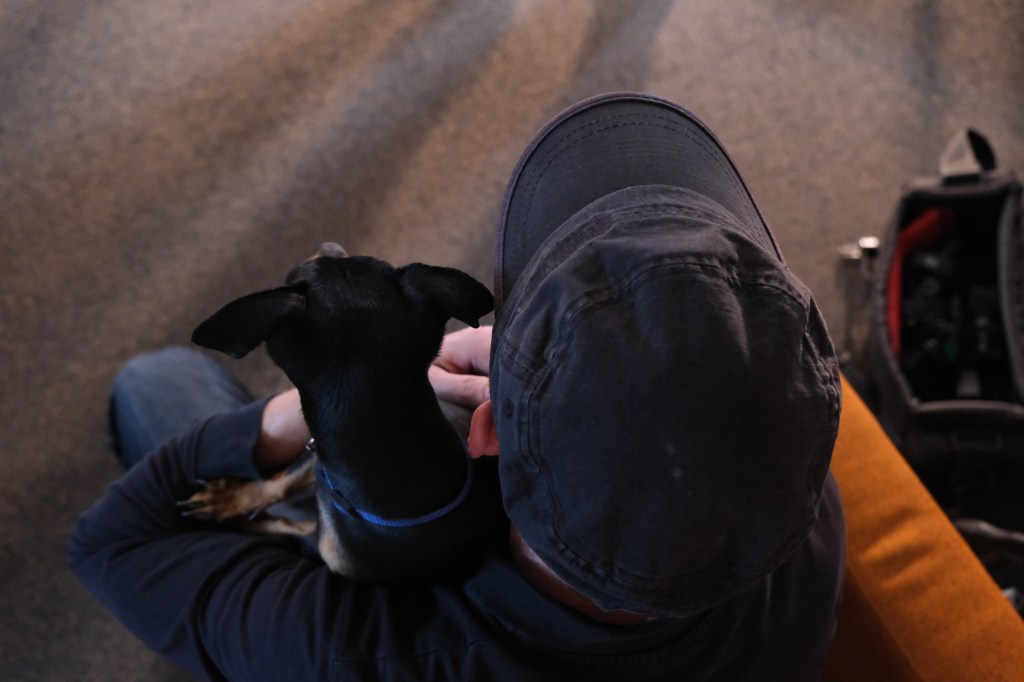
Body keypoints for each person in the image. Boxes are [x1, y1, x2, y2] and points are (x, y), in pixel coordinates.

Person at [70, 92, 844, 681]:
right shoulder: (797, 518)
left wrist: (322, 407)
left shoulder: (346, 650)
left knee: (154, 382)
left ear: (489, 431)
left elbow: (109, 543)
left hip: (342, 575)